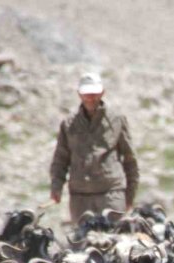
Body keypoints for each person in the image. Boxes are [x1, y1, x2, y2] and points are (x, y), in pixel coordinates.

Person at [49, 72, 139, 222]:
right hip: (80, 199)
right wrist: (56, 188)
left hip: (111, 196)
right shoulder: (69, 124)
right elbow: (60, 160)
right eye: (86, 94)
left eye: (94, 93)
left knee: (115, 236)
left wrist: (129, 197)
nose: (90, 98)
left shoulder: (117, 121)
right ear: (79, 94)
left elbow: (130, 160)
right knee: (81, 236)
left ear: (102, 92)